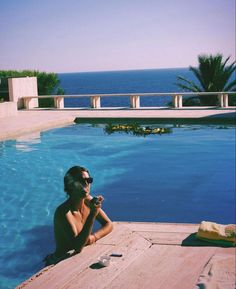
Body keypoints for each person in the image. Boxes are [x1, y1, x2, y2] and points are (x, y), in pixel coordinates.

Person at [44, 165, 113, 265]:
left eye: (89, 180)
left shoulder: (88, 201)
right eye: (81, 180)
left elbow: (109, 224)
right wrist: (93, 214)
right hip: (59, 262)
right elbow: (77, 246)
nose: (86, 183)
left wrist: (92, 238)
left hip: (76, 260)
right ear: (70, 185)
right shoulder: (63, 212)